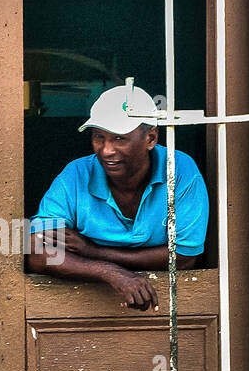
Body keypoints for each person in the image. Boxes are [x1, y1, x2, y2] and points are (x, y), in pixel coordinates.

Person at [27, 81, 209, 311]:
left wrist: (92, 252)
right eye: (98, 137)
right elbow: (37, 252)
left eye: (119, 138)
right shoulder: (77, 174)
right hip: (85, 312)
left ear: (151, 138)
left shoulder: (179, 169)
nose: (106, 150)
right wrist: (110, 272)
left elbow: (184, 256)